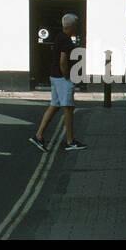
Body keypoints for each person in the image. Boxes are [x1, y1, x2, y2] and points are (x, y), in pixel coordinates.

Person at [30, 13, 87, 152]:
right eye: (76, 24)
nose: (77, 26)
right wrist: (67, 76)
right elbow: (63, 60)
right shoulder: (66, 40)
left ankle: (38, 136)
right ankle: (70, 141)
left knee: (54, 105)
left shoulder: (59, 37)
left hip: (54, 76)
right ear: (72, 25)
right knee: (68, 108)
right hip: (62, 78)